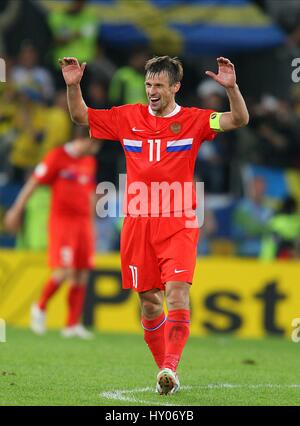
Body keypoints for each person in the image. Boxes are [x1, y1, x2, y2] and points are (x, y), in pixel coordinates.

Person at [59, 55, 249, 393]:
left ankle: (169, 368)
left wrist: (232, 88)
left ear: (175, 87)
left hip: (178, 221)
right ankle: (166, 373)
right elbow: (79, 116)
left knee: (177, 293)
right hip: (137, 223)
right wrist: (73, 85)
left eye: (159, 85)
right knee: (149, 302)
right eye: (148, 85)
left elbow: (239, 118)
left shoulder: (194, 120)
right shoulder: (126, 116)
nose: (152, 91)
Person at [5, 127, 100, 339]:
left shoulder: (89, 162)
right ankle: (39, 307)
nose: (95, 150)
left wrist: (92, 224)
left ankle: (71, 325)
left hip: (83, 222)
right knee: (64, 271)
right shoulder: (57, 156)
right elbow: (33, 183)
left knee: (82, 272)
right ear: (82, 140)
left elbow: (91, 193)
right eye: (93, 144)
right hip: (63, 222)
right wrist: (16, 210)